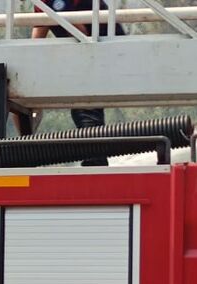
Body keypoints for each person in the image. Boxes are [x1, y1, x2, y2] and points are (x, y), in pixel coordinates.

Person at [31, 0, 125, 166]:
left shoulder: (55, 1)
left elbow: (80, 33)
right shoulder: (43, 3)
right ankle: (94, 157)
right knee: (83, 108)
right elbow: (37, 37)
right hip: (90, 50)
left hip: (104, 47)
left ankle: (95, 159)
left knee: (85, 107)